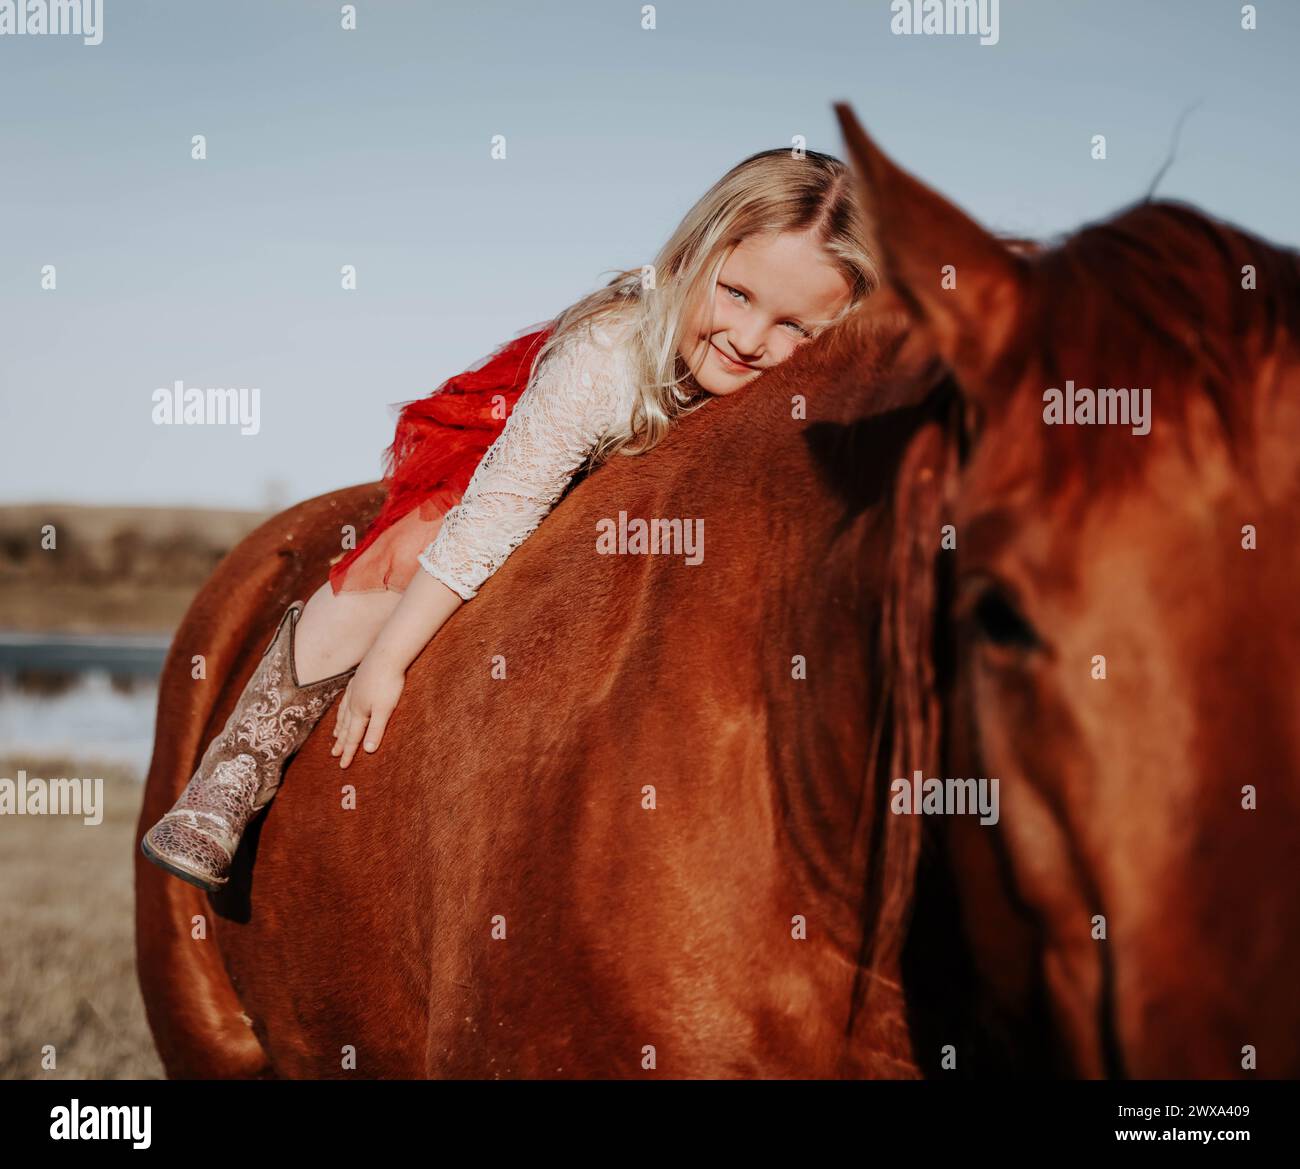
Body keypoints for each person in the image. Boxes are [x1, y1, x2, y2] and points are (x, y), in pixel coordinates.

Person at [140, 147, 879, 892]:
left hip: (645, 518)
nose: (753, 340)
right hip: (526, 465)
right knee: (415, 548)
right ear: (693, 258)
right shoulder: (609, 354)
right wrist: (391, 658)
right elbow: (504, 505)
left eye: (796, 328)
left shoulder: (800, 400)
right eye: (738, 295)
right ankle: (239, 764)